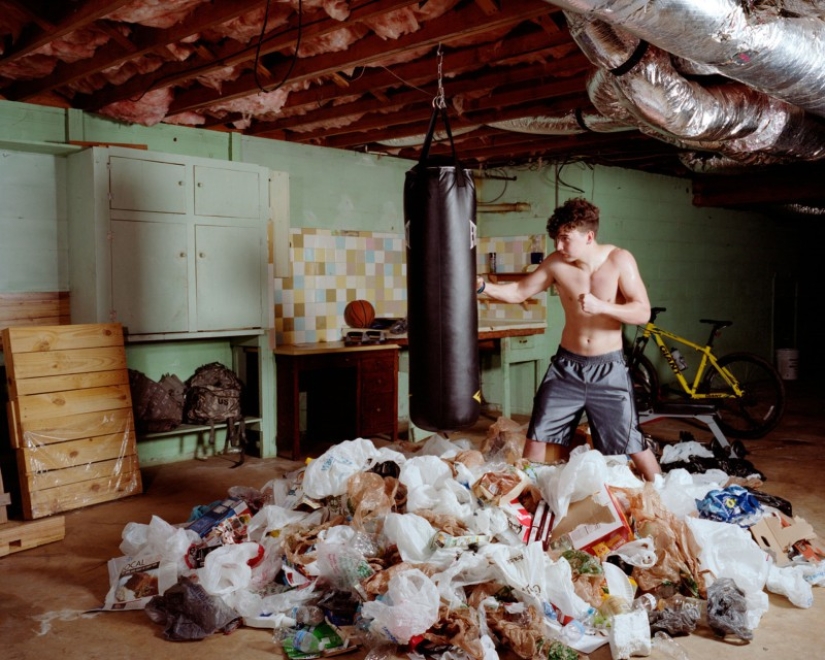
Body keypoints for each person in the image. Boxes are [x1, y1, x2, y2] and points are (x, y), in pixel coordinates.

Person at [476, 197, 661, 481]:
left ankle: (662, 495)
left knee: (631, 442)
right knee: (538, 435)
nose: (558, 247)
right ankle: (529, 501)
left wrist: (603, 307)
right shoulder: (556, 264)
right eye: (556, 239)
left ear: (589, 236)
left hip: (608, 369)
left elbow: (642, 312)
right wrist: (483, 287)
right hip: (566, 367)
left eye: (565, 239)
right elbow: (519, 292)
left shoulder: (619, 260)